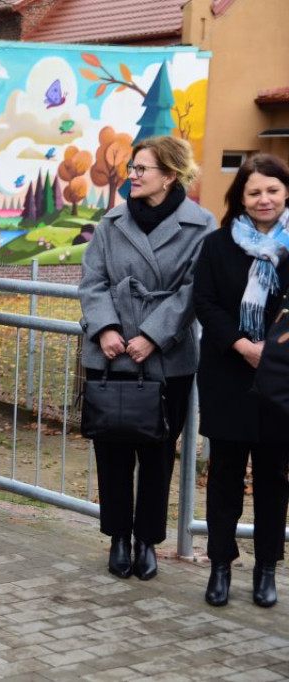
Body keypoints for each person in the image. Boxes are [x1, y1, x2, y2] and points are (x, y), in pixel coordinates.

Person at [78, 135, 215, 581]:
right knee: (112, 450)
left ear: (169, 176)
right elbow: (92, 281)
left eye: (141, 169)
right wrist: (109, 329)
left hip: (167, 357)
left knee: (158, 454)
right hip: (111, 353)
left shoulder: (202, 225)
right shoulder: (112, 221)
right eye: (133, 168)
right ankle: (118, 537)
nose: (132, 175)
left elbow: (195, 291)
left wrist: (153, 336)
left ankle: (147, 541)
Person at [193, 154, 289, 608]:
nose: (264, 199)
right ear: (242, 198)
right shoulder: (217, 245)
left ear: (285, 192)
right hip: (228, 374)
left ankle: (266, 568)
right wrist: (241, 344)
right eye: (254, 192)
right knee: (225, 476)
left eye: (272, 190)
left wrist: (271, 351)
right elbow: (205, 303)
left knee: (273, 478)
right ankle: (220, 566)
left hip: (281, 380)